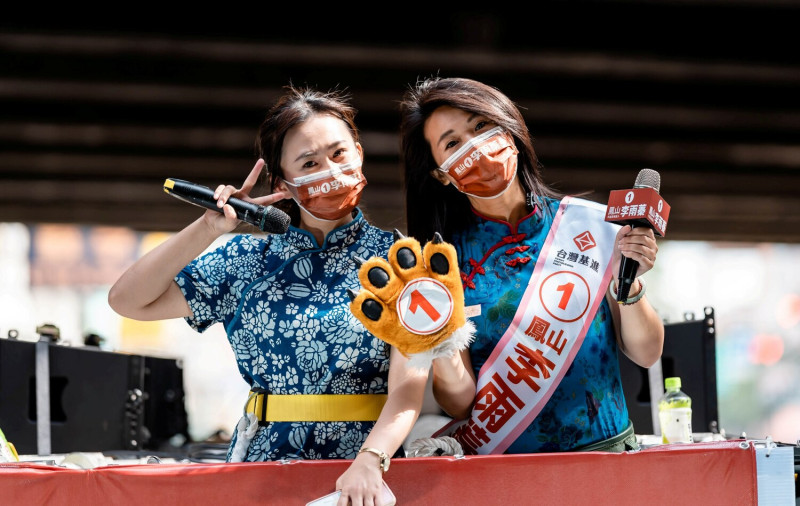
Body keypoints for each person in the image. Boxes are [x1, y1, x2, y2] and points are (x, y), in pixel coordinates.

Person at [108, 84, 429, 504]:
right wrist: (208, 228)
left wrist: (372, 459)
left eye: (339, 154)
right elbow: (128, 300)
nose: (330, 171)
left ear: (358, 152)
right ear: (283, 182)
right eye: (309, 162)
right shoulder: (244, 259)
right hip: (262, 470)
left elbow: (409, 390)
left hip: (366, 475)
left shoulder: (403, 261)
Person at [395, 76, 665, 455]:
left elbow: (646, 353)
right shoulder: (441, 265)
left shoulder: (593, 225)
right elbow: (459, 403)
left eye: (481, 126)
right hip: (506, 472)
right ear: (441, 174)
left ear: (509, 130)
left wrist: (629, 284)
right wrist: (441, 344)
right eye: (453, 143)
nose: (475, 148)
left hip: (607, 461)